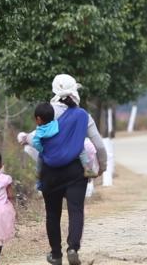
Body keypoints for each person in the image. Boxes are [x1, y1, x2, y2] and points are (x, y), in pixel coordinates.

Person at [18, 74, 107, 265]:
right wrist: (103, 167)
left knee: (52, 214)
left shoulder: (49, 112)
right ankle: (73, 247)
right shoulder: (83, 115)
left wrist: (23, 138)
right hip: (76, 170)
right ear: (74, 91)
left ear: (54, 90)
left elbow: (35, 137)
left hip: (50, 172)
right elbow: (99, 144)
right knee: (76, 210)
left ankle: (56, 255)